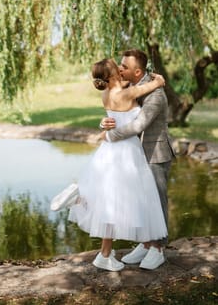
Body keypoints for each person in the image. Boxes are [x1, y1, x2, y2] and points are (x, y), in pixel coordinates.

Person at [51, 58, 167, 272]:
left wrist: (103, 124)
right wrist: (159, 79)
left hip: (109, 151)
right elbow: (153, 85)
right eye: (118, 66)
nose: (121, 69)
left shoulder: (106, 93)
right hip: (126, 150)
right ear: (113, 74)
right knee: (121, 201)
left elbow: (114, 113)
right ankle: (105, 245)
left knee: (110, 198)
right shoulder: (126, 93)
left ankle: (82, 199)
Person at [100, 49, 175, 270]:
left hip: (155, 153)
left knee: (157, 200)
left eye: (124, 66)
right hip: (135, 154)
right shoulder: (129, 87)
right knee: (141, 200)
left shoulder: (156, 94)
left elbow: (138, 125)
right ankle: (145, 243)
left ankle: (159, 248)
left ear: (137, 71)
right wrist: (104, 124)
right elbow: (116, 110)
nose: (120, 68)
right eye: (120, 65)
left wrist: (110, 136)